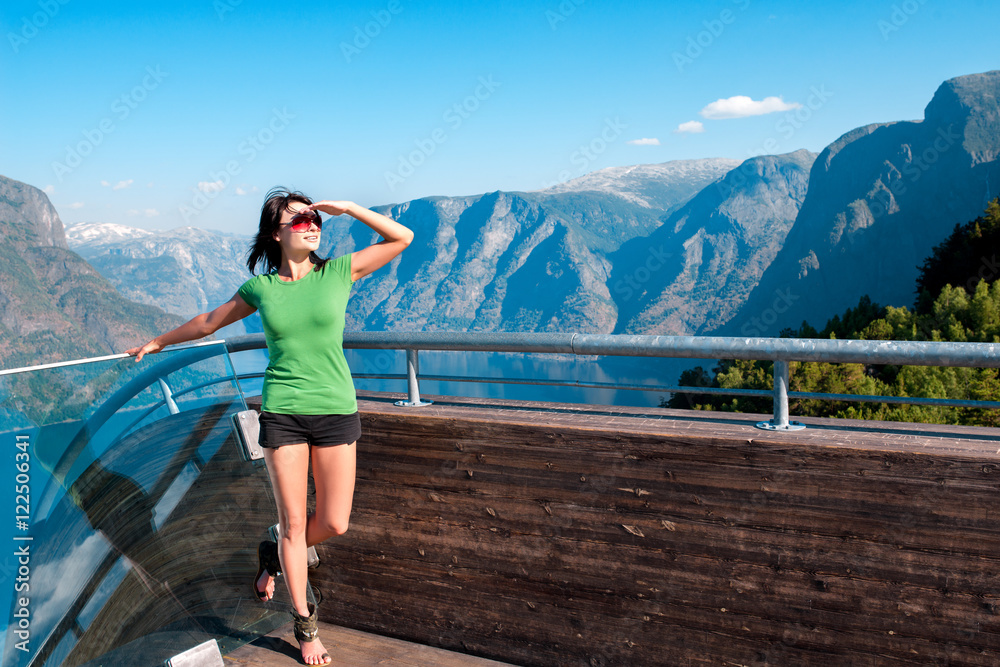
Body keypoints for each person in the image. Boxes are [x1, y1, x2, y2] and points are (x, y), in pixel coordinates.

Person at [127, 187, 413, 666]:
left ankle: (273, 550)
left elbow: (401, 237)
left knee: (335, 522)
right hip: (282, 412)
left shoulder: (339, 271)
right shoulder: (261, 289)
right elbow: (208, 322)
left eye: (313, 217)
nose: (310, 223)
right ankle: (305, 625)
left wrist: (347, 208)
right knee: (297, 524)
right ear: (276, 233)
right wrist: (157, 341)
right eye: (298, 219)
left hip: (336, 409)